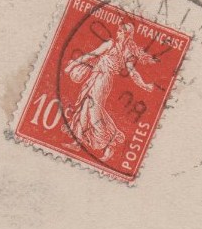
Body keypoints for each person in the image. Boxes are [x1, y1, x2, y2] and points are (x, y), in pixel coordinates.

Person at [63, 22, 157, 162]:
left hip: (103, 81)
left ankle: (109, 145)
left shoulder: (128, 53)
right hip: (95, 77)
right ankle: (77, 142)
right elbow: (91, 54)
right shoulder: (110, 43)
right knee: (84, 108)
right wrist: (73, 64)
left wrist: (144, 85)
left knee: (94, 112)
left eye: (120, 31)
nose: (117, 33)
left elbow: (133, 73)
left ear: (126, 35)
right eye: (118, 30)